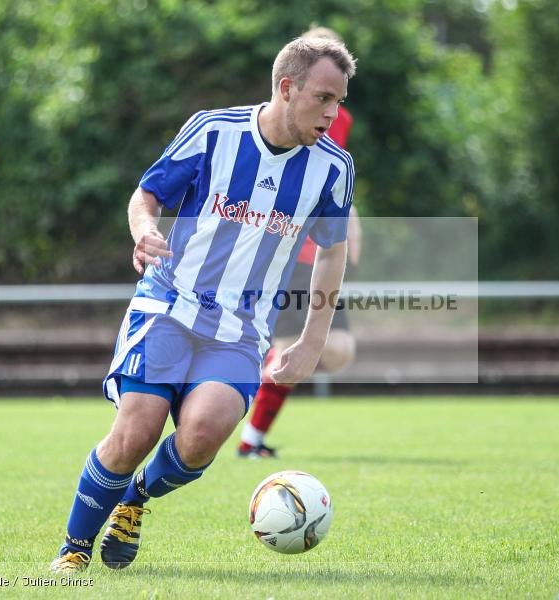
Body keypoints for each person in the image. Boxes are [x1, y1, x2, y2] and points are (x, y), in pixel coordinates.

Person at [49, 35, 357, 573]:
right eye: (323, 98)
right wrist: (144, 230)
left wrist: (312, 341)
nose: (333, 113)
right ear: (287, 89)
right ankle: (72, 550)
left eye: (340, 100)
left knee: (202, 435)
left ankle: (134, 500)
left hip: (241, 328)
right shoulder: (215, 131)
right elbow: (146, 194)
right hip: (168, 303)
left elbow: (333, 252)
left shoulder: (333, 168)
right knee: (137, 430)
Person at [237, 26, 362, 459]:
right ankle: (249, 435)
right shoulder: (275, 117)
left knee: (336, 351)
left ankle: (250, 407)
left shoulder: (337, 120)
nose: (330, 107)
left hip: (320, 250)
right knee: (294, 349)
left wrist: (348, 230)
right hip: (295, 253)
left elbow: (332, 183)